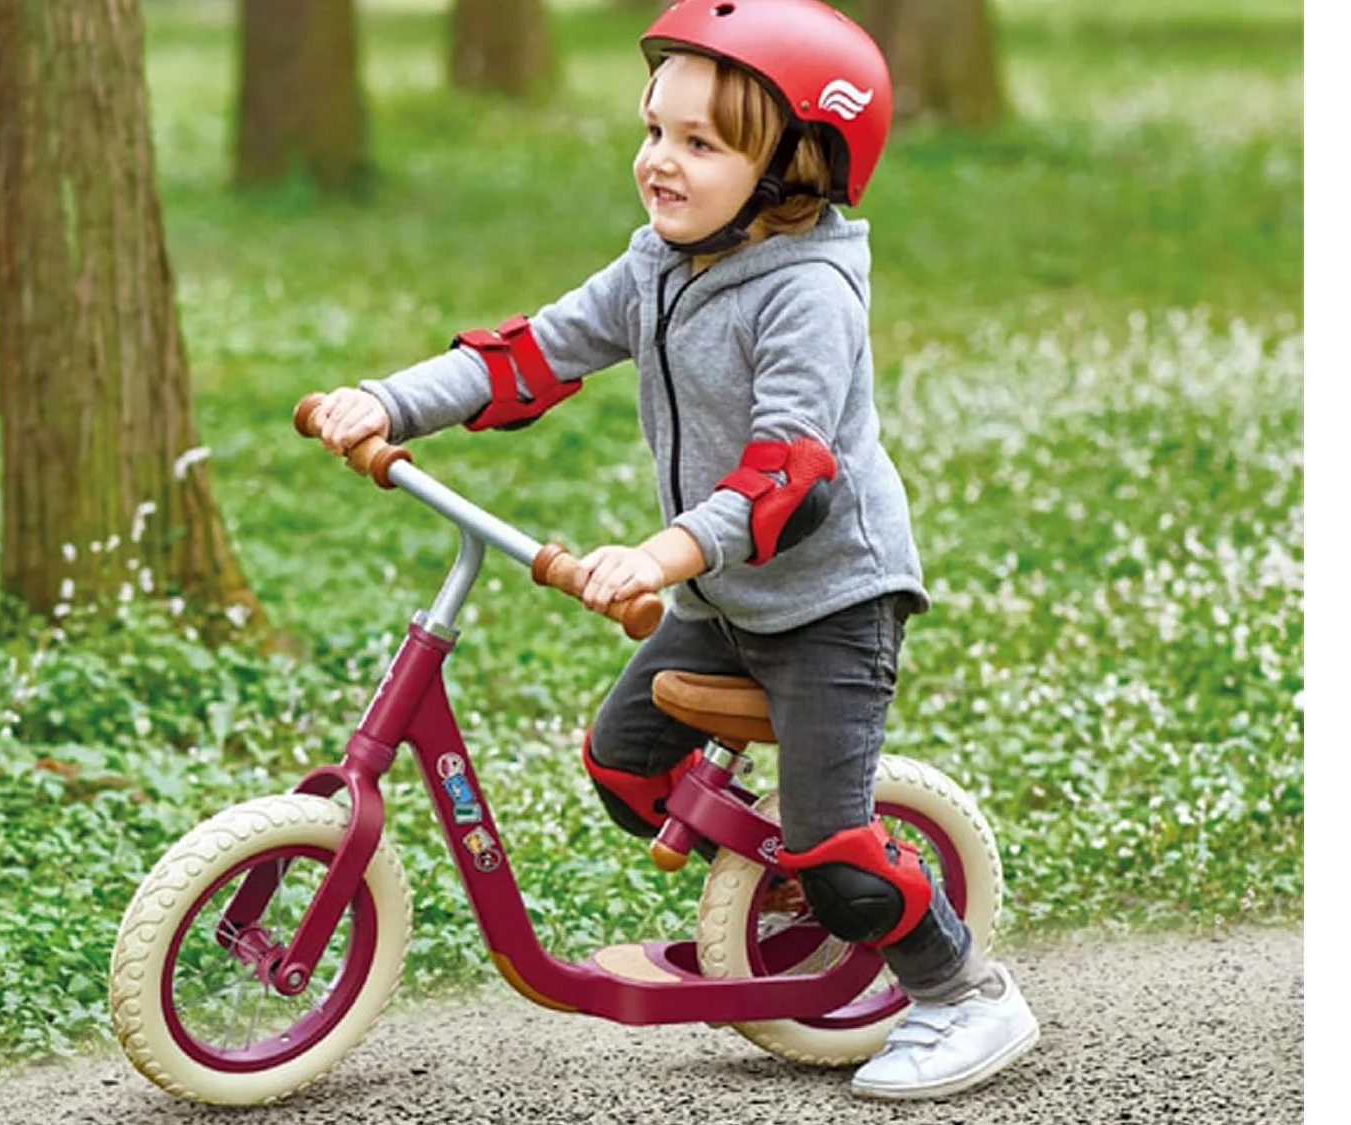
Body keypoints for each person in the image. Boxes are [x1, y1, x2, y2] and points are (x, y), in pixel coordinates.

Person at [311, 0, 1037, 1100]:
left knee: (837, 849)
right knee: (622, 763)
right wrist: (386, 402)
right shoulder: (661, 259)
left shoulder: (808, 293)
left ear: (797, 166)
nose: (660, 161)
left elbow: (785, 475)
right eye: (655, 130)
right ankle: (790, 896)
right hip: (724, 591)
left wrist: (659, 557)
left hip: (830, 601)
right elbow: (533, 353)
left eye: (701, 144)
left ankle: (960, 990)